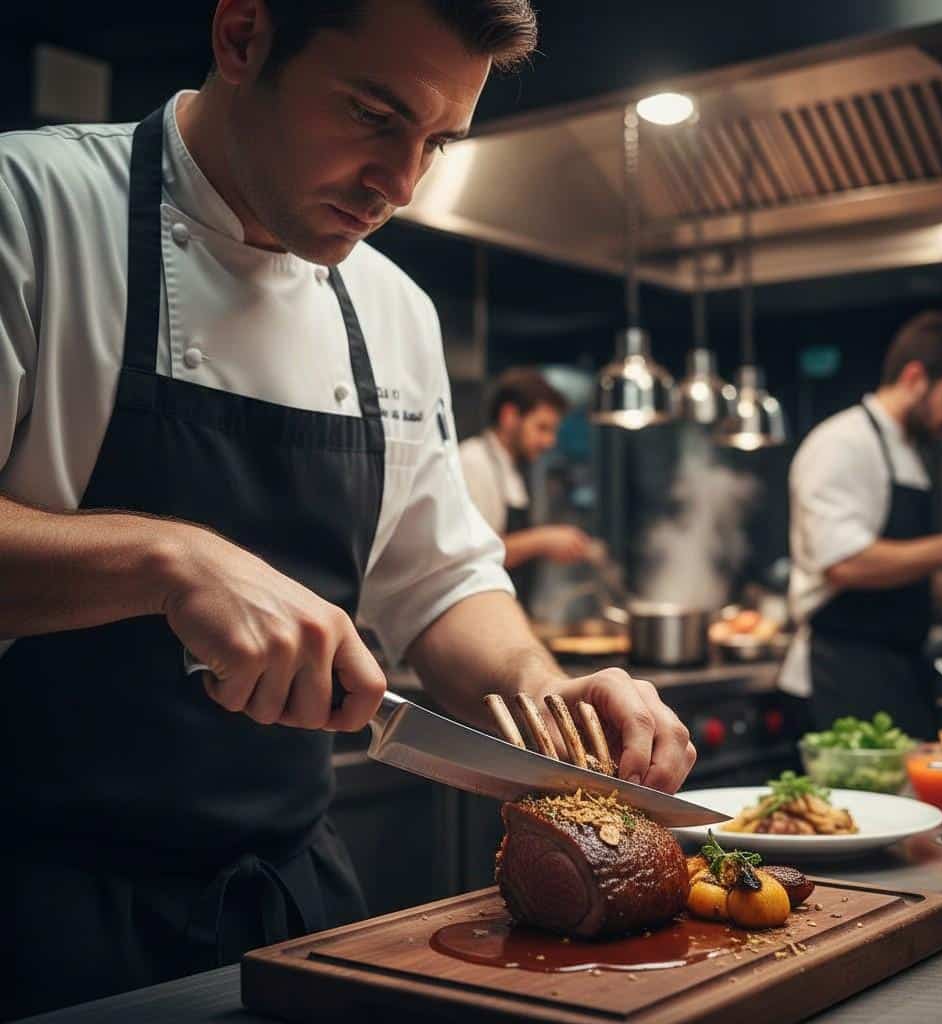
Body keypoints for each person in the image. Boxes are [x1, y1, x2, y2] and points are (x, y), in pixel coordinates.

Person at [0, 1, 697, 1017]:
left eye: (437, 144)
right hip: (36, 903)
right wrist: (168, 560)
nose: (400, 185)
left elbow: (441, 581)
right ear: (242, 37)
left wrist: (548, 698)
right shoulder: (31, 208)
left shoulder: (392, 309)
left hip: (294, 904)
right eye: (374, 116)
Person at [780, 310, 942, 737]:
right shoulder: (843, 443)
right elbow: (845, 564)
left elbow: (887, 569)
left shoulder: (908, 452)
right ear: (914, 378)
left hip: (897, 670)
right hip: (843, 672)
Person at [459, 367, 593, 607]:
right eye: (542, 428)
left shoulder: (515, 469)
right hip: (478, 613)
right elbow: (476, 556)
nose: (549, 442)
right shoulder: (474, 461)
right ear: (509, 416)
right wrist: (544, 540)